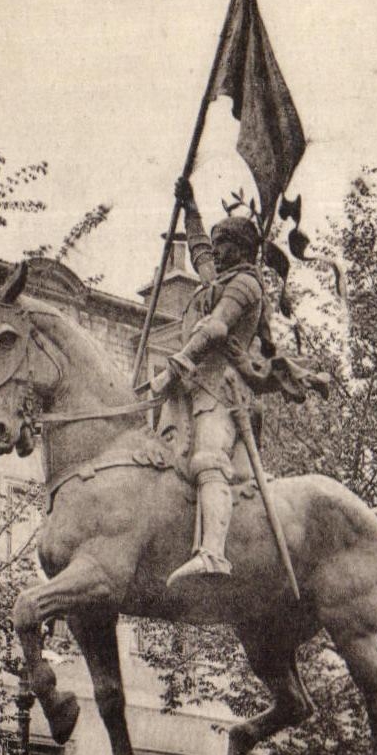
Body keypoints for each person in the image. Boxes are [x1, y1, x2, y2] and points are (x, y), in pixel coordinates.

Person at [159, 176, 269, 586]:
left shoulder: (245, 285)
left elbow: (218, 329)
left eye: (225, 245)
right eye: (218, 243)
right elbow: (201, 252)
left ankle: (213, 554)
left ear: (241, 250)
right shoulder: (222, 277)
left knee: (208, 460)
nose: (216, 252)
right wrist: (190, 207)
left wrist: (177, 363)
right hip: (193, 387)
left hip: (222, 391)